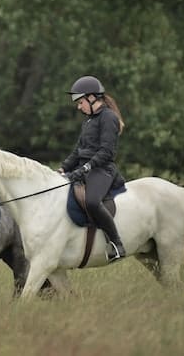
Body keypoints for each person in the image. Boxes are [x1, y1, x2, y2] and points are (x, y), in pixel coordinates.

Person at [58, 75, 127, 262]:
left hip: (102, 170)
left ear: (92, 98)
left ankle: (116, 243)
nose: (79, 107)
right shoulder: (88, 121)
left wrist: (87, 167)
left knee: (92, 202)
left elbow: (106, 152)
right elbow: (78, 151)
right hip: (85, 168)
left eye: (81, 102)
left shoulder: (109, 118)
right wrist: (63, 168)